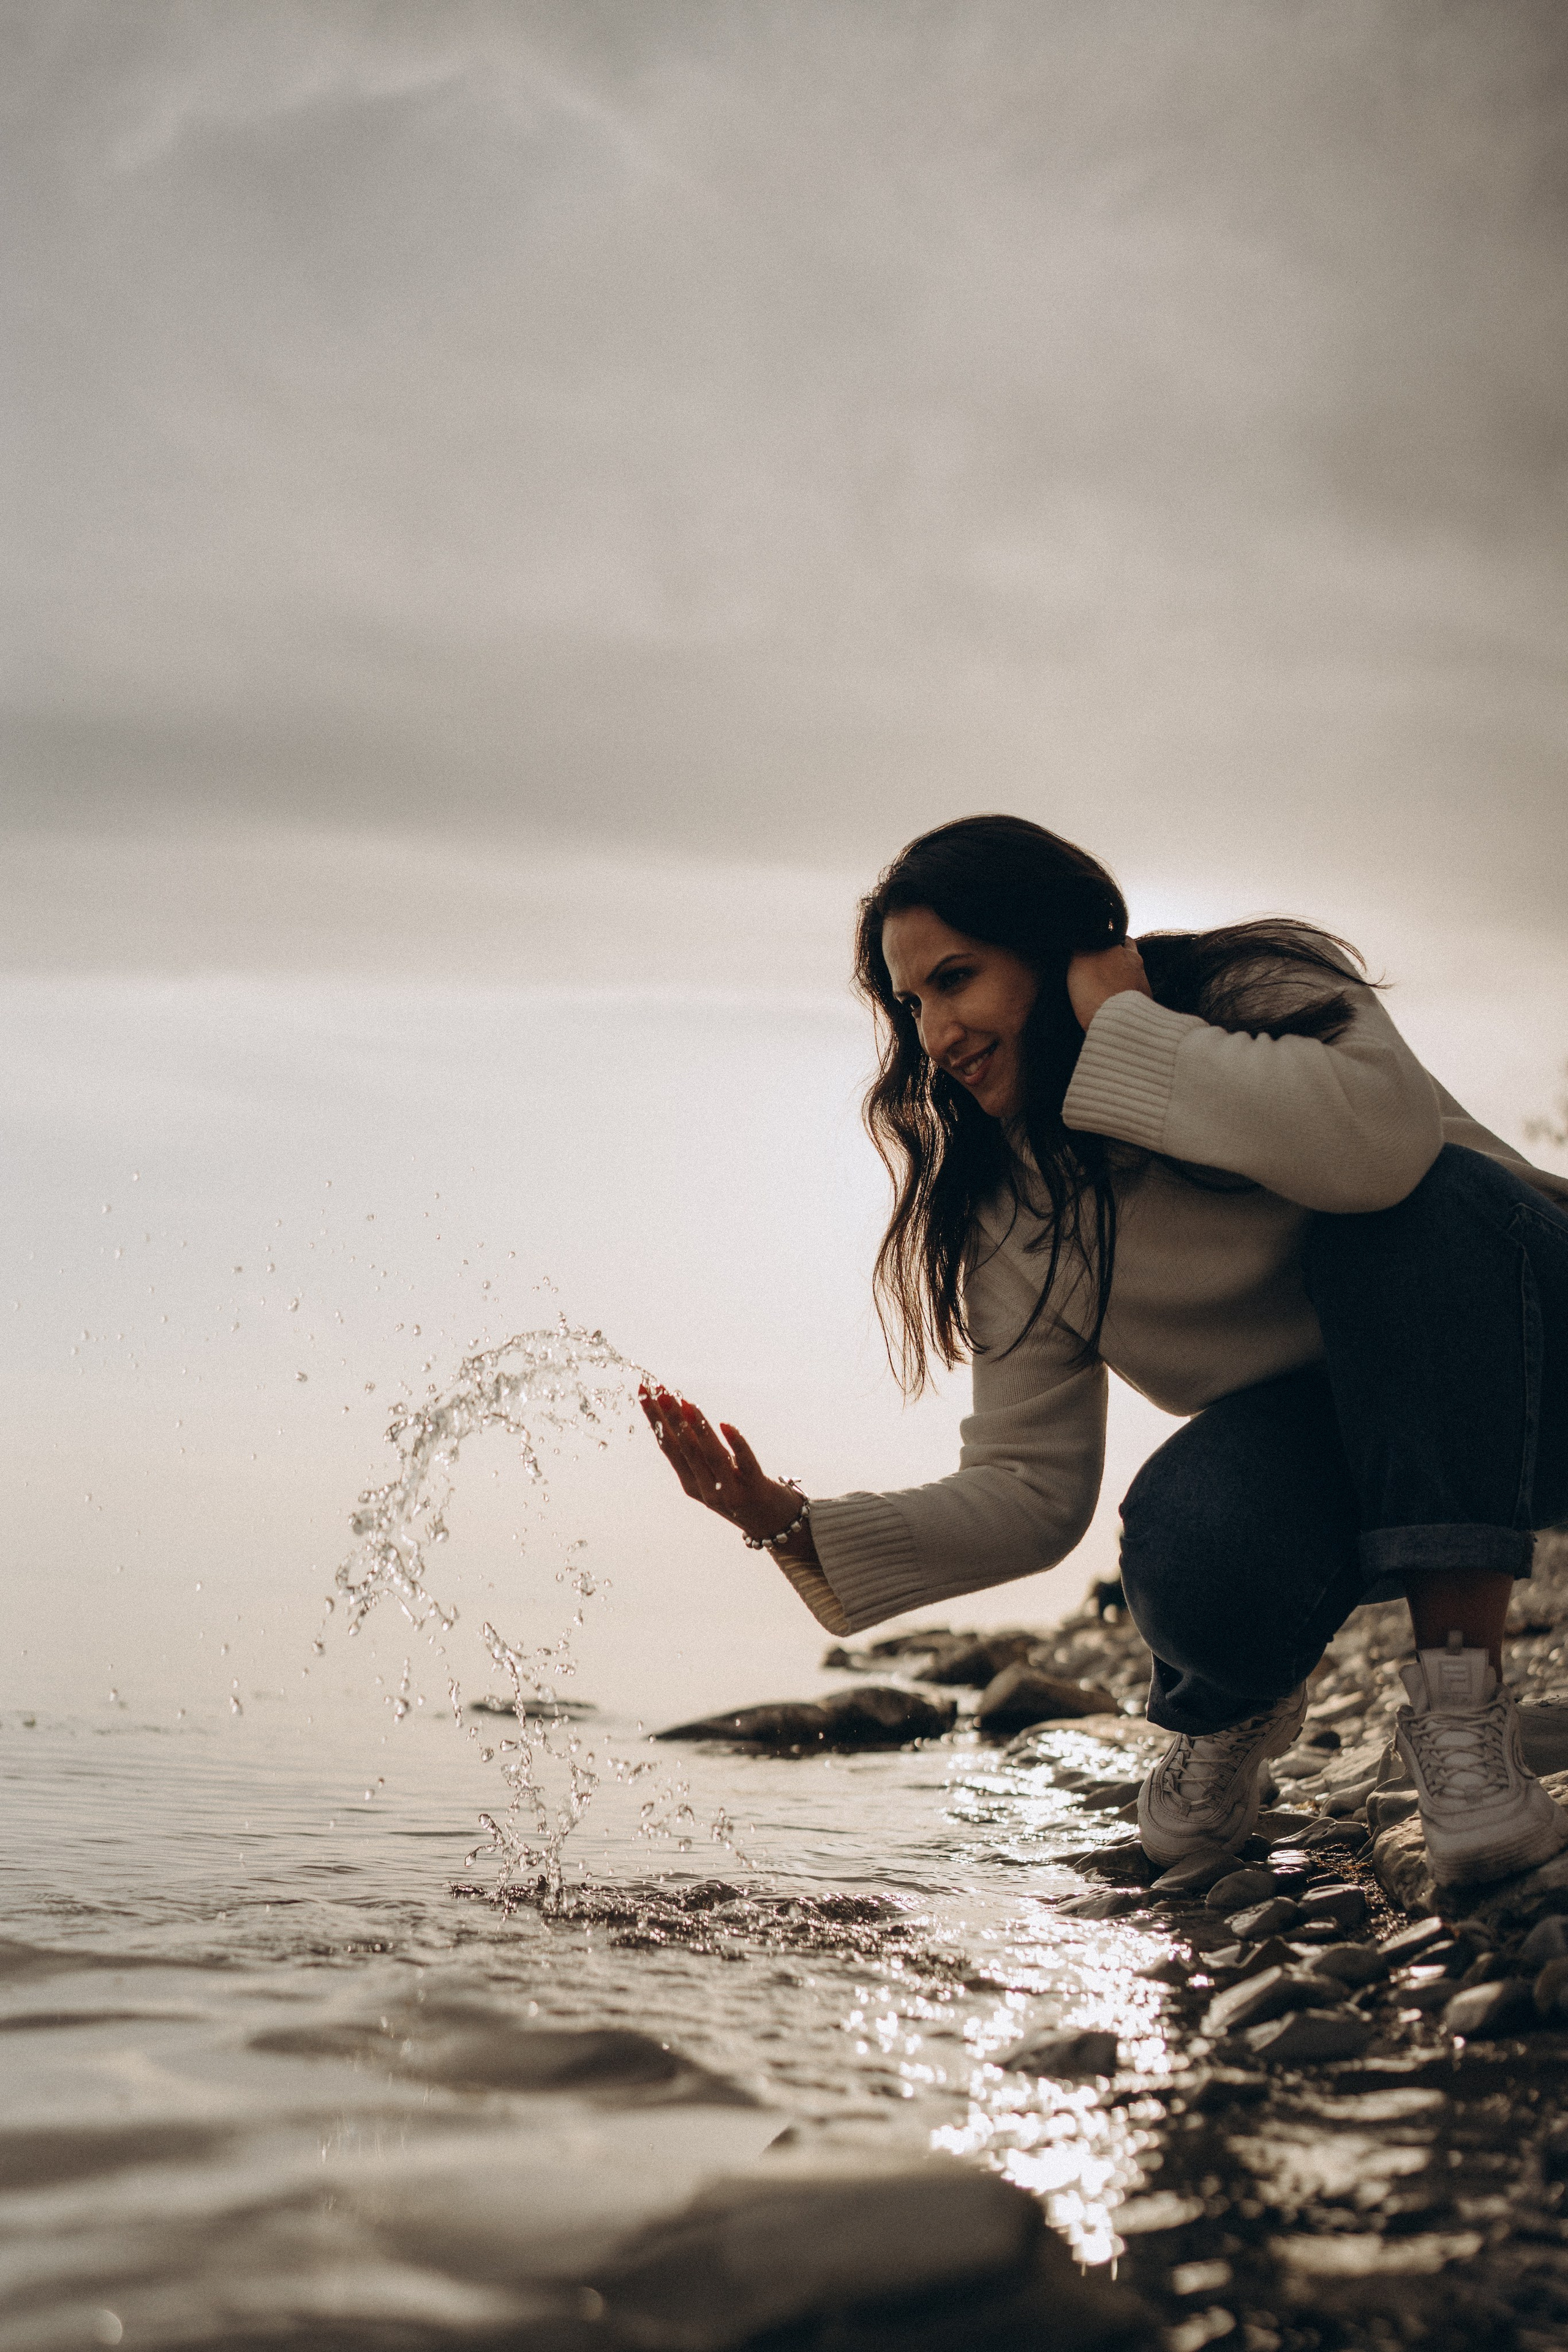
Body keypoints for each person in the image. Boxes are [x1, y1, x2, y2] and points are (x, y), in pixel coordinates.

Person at [641, 815, 1568, 1890]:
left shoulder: (1253, 988)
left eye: (956, 978)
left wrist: (1125, 1024)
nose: (935, 1032)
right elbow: (1031, 1487)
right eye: (912, 1003)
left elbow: (1381, 1152)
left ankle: (1462, 1726)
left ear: (1055, 948)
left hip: (1538, 1358)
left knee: (1412, 1214)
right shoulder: (1010, 1205)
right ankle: (1232, 1711)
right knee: (1184, 1534)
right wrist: (790, 1524)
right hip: (1360, 1452)